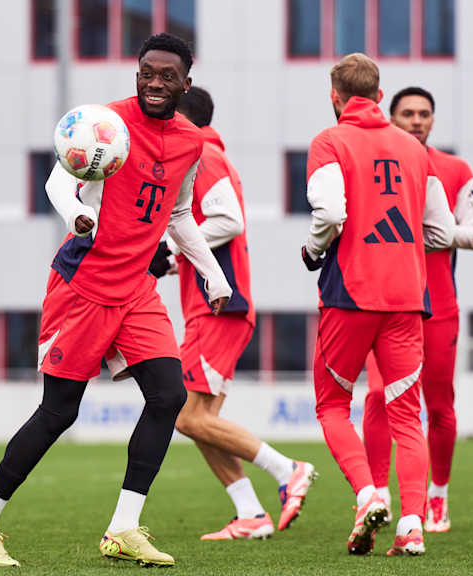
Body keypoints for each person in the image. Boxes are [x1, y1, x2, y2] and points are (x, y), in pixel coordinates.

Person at [0, 34, 232, 568]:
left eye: (166, 75)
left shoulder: (191, 142)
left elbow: (178, 215)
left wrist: (212, 277)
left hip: (137, 291)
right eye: (146, 72)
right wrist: (75, 215)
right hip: (83, 286)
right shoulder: (105, 122)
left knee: (169, 396)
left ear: (185, 84)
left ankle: (124, 528)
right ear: (137, 75)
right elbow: (59, 181)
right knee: (59, 412)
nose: (154, 82)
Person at [300, 53, 454, 557]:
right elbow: (442, 231)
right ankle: (412, 526)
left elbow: (328, 211)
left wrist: (314, 248)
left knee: (331, 404)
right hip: (409, 297)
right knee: (407, 414)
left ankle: (368, 496)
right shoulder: (414, 149)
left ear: (334, 96)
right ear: (380, 96)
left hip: (351, 292)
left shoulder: (330, 141)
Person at [161, 86, 316, 540]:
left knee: (188, 418)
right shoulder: (207, 152)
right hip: (213, 307)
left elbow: (227, 219)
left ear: (180, 119)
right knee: (197, 421)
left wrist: (172, 246)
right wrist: (172, 260)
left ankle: (288, 470)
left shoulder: (202, 153)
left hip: (220, 309)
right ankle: (250, 514)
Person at [362, 86, 473, 533]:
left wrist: (434, 230)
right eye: (408, 113)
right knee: (378, 397)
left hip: (438, 305)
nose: (417, 120)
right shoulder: (374, 167)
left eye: (424, 114)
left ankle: (438, 496)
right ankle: (376, 497)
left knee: (438, 405)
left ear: (433, 120)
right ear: (391, 117)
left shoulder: (454, 169)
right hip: (386, 301)